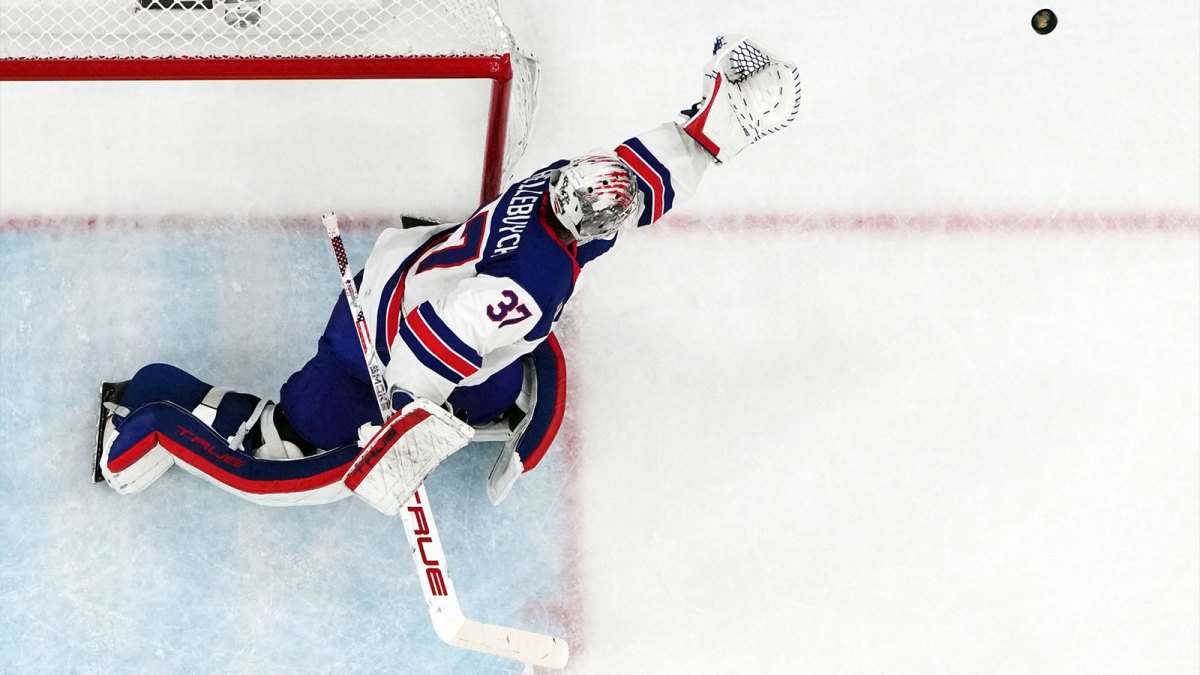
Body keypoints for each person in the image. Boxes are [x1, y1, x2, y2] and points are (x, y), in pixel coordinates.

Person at [94, 35, 802, 514]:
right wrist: (406, 422)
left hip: (409, 269)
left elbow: (644, 171)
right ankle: (150, 417)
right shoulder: (531, 286)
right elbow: (445, 336)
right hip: (376, 341)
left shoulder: (563, 178)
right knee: (290, 442)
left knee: (487, 387)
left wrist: (717, 127)